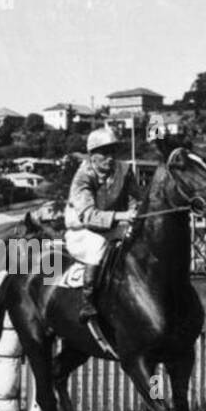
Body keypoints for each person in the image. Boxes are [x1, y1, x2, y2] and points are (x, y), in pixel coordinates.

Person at [64, 127, 138, 321]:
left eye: (113, 152)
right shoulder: (82, 178)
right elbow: (88, 216)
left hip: (115, 224)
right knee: (98, 246)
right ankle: (88, 302)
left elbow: (134, 200)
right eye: (104, 153)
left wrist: (135, 213)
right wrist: (123, 215)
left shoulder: (125, 170)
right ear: (92, 156)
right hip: (83, 228)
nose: (110, 158)